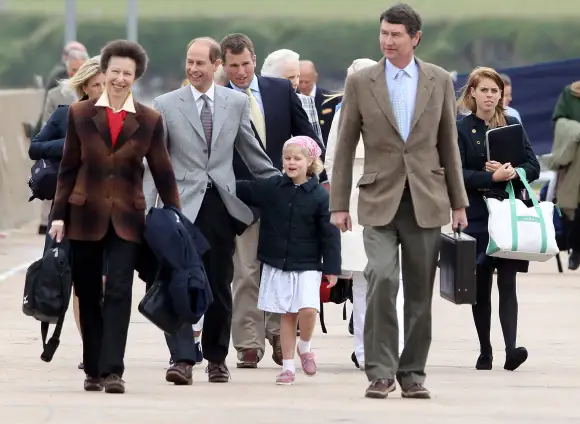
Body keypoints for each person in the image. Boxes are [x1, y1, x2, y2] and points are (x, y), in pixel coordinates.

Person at [329, 3, 469, 399]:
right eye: (383, 34)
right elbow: (344, 146)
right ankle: (379, 370)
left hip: (427, 198)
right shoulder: (362, 82)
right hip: (378, 198)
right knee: (382, 278)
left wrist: (458, 203)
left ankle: (412, 373)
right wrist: (338, 203)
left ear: (415, 38)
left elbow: (448, 144)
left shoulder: (439, 80)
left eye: (395, 35)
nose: (387, 41)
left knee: (421, 292)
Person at [144, 37, 279, 385]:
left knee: (219, 283)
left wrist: (285, 187)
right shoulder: (166, 104)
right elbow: (156, 162)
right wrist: (145, 210)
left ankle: (217, 359)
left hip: (220, 205)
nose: (193, 69)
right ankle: (182, 359)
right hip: (181, 206)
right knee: (180, 281)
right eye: (189, 62)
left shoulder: (235, 104)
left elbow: (252, 153)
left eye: (200, 63)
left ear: (216, 64)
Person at [49, 40, 181, 394]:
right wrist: (58, 215)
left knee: (120, 291)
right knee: (89, 292)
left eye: (128, 73)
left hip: (127, 218)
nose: (121, 79)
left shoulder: (149, 119)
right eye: (115, 72)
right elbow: (68, 168)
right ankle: (92, 366)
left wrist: (175, 216)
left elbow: (163, 172)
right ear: (103, 73)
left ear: (135, 77)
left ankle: (112, 371)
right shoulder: (80, 114)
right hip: (83, 215)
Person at [220, 33, 323, 369]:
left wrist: (310, 181)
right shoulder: (219, 98)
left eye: (245, 64)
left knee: (281, 268)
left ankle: (281, 335)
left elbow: (306, 135)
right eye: (233, 66)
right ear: (223, 65)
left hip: (286, 195)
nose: (240, 71)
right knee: (247, 272)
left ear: (254, 59)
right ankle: (248, 343)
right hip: (243, 196)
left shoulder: (280, 90)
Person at [236, 135, 341, 385]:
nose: (291, 163)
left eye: (297, 158)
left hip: (308, 264)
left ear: (311, 162)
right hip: (278, 263)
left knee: (307, 309)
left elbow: (330, 235)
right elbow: (243, 188)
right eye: (287, 158)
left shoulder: (319, 196)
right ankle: (288, 367)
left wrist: (333, 268)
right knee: (287, 314)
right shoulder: (273, 187)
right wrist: (214, 179)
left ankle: (305, 347)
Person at [457, 66, 540, 371]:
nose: (490, 96)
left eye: (495, 91)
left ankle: (511, 349)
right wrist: (489, 177)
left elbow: (533, 166)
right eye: (485, 90)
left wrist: (512, 173)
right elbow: (457, 173)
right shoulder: (461, 129)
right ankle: (485, 350)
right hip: (477, 215)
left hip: (508, 212)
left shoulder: (512, 123)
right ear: (472, 93)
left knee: (508, 281)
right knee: (480, 285)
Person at [325, 57, 405, 371]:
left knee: (391, 278)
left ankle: (393, 346)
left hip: (390, 199)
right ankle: (363, 348)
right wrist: (338, 206)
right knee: (361, 280)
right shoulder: (343, 115)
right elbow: (333, 163)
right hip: (356, 205)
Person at [29, 56, 105, 371]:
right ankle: (93, 348)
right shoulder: (65, 115)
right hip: (74, 210)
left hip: (113, 210)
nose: (103, 89)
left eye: (108, 82)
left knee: (107, 283)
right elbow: (35, 147)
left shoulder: (127, 118)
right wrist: (74, 143)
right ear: (84, 86)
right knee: (83, 284)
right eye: (96, 84)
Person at [260, 49, 323, 144]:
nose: (297, 83)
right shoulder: (255, 103)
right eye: (291, 78)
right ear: (272, 79)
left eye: (298, 76)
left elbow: (316, 145)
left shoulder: (306, 101)